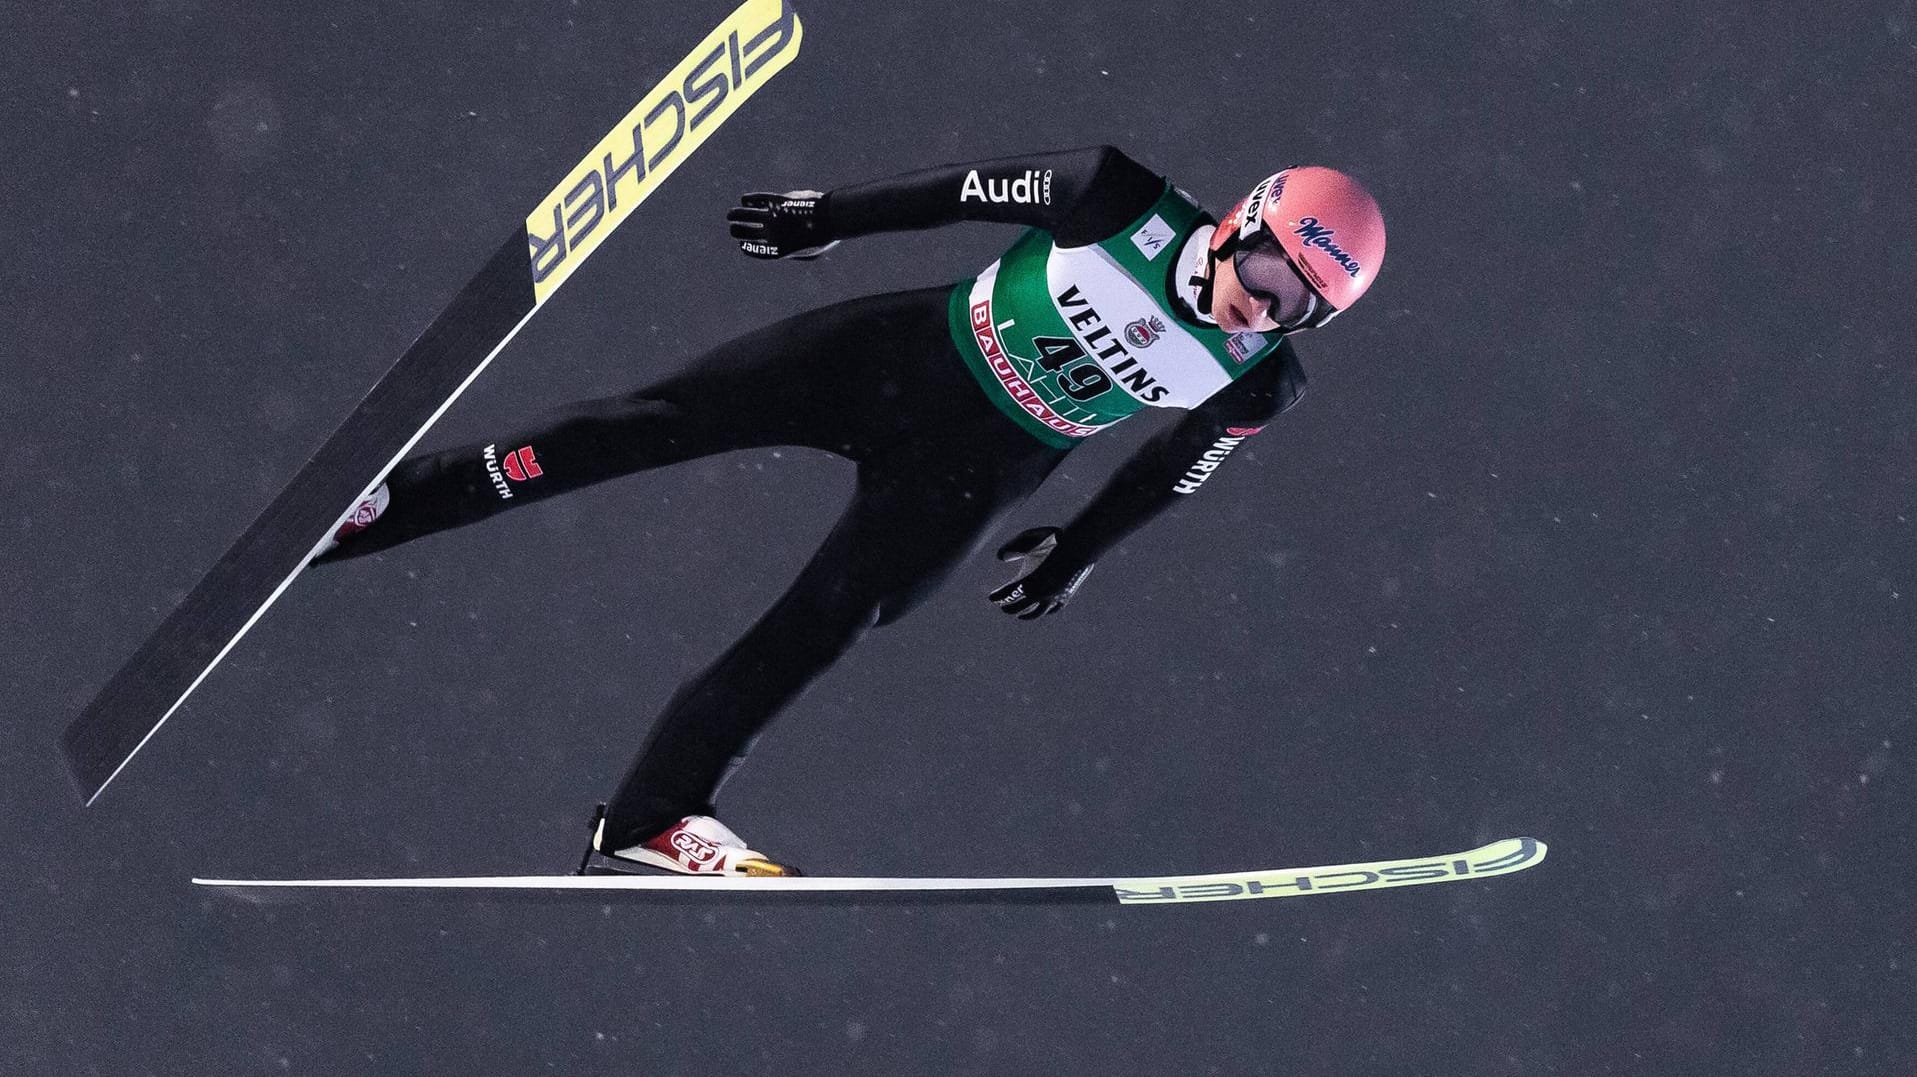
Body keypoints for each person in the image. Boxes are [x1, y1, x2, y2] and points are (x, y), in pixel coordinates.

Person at [313, 146, 1386, 876]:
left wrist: (1080, 550)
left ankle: (650, 820)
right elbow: (967, 191)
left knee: (824, 627)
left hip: (976, 471)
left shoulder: (1260, 383)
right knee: (647, 421)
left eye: (1296, 307)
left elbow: (1171, 471)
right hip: (893, 362)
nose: (1260, 305)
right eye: (1261, 268)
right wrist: (826, 217)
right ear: (1242, 221)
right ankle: (385, 508)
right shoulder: (1118, 200)